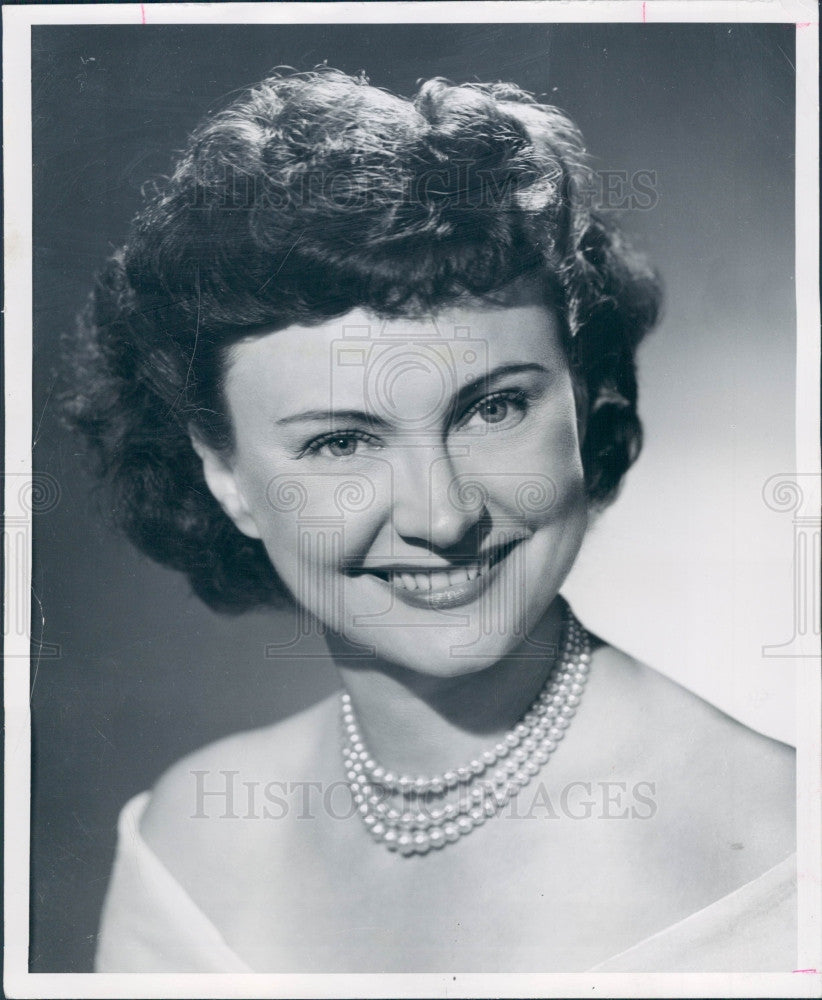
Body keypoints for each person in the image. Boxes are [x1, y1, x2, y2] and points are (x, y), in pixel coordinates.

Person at [65, 68, 795, 973]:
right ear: (226, 477)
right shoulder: (186, 849)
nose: (443, 515)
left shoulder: (782, 845)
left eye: (493, 410)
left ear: (585, 402)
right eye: (339, 443)